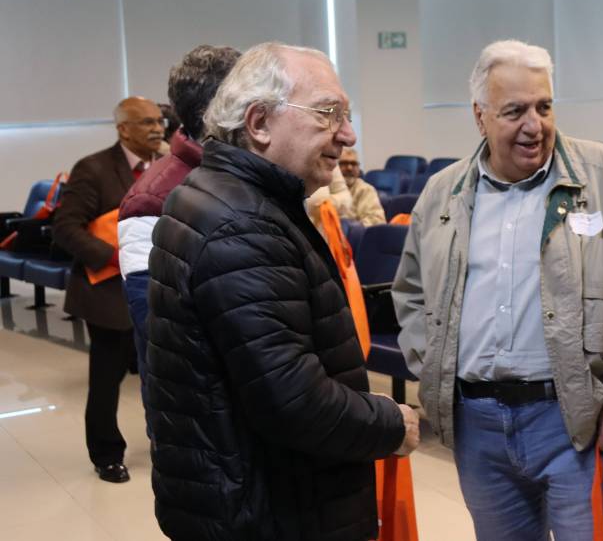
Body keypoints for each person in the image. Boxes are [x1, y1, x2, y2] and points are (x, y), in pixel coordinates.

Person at [393, 40, 603, 541]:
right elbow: (412, 294)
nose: (535, 125)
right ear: (480, 116)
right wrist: (436, 371)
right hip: (478, 425)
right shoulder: (443, 193)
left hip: (577, 420)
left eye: (544, 107)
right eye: (515, 111)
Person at [147, 42, 419, 541]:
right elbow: (293, 399)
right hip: (270, 511)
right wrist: (389, 423)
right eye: (328, 113)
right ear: (259, 123)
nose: (348, 134)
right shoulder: (244, 225)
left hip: (241, 495)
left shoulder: (214, 194)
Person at [117, 45, 240, 422]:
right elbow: (160, 328)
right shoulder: (150, 200)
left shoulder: (246, 174)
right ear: (221, 109)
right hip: (202, 413)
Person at [52, 96, 165, 484]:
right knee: (106, 379)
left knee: (161, 375)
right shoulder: (94, 168)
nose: (157, 128)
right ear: (123, 129)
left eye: (160, 121)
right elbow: (66, 227)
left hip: (157, 291)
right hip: (109, 292)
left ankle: (166, 443)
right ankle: (106, 454)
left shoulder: (166, 168)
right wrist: (116, 257)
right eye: (147, 122)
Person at [337, 147, 387, 226]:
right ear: (335, 167)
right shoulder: (325, 188)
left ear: (358, 168)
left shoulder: (366, 190)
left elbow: (377, 220)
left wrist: (351, 227)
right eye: (344, 163)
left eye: (354, 164)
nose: (349, 168)